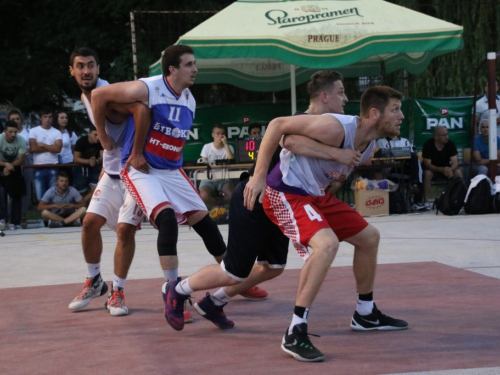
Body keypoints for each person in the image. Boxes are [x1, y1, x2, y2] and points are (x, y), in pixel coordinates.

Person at [162, 70, 365, 336]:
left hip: (284, 200)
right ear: (325, 97)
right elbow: (283, 134)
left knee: (273, 267)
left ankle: (215, 301)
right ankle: (176, 290)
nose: (345, 99)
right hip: (257, 198)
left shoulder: (331, 128)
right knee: (233, 272)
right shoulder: (303, 121)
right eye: (340, 93)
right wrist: (258, 176)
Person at [90, 44, 266, 326]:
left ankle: (235, 277)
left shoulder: (189, 99)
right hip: (141, 170)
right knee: (166, 221)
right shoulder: (147, 88)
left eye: (195, 63)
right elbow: (98, 95)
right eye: (189, 64)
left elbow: (170, 137)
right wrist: (104, 138)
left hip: (172, 170)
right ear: (172, 69)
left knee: (207, 226)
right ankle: (172, 292)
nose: (195, 69)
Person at [239, 85, 409, 362]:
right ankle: (295, 331)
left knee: (369, 237)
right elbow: (279, 128)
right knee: (326, 245)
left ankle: (365, 313)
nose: (401, 116)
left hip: (314, 196)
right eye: (395, 109)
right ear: (375, 114)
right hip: (286, 193)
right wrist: (258, 176)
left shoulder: (370, 147)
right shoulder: (337, 129)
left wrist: (333, 165)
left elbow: (298, 146)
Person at [67, 46, 144, 317]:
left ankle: (118, 291)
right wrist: (106, 160)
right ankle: (95, 281)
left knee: (125, 231)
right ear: (72, 71)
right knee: (89, 224)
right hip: (111, 173)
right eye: (81, 66)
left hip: (134, 174)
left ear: (99, 69)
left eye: (91, 65)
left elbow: (140, 110)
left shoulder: (110, 94)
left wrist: (135, 153)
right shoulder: (84, 95)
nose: (86, 70)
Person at [375, 135, 426, 210]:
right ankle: (414, 187)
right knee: (414, 166)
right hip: (391, 169)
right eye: (395, 125)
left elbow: (410, 157)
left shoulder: (405, 140)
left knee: (414, 158)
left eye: (398, 126)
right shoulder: (381, 142)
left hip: (405, 168)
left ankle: (414, 186)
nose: (398, 127)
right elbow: (384, 159)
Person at [422, 125, 463, 204]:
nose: (446, 137)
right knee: (427, 174)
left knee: (458, 172)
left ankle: (461, 198)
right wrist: (441, 170)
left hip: (447, 169)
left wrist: (450, 170)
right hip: (433, 170)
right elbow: (427, 164)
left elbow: (455, 163)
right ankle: (426, 201)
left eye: (447, 134)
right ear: (436, 137)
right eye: (444, 135)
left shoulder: (450, 144)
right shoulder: (428, 145)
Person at [29, 106, 62, 201]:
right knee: (40, 196)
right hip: (39, 166)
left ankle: (52, 215)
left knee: (53, 195)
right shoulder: (33, 131)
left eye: (50, 117)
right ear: (40, 118)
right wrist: (51, 147)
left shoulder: (57, 132)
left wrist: (43, 145)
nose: (48, 119)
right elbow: (33, 148)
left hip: (53, 165)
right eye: (45, 116)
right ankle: (44, 215)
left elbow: (58, 149)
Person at [199, 124, 235, 210]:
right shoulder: (207, 147)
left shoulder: (229, 147)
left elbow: (232, 161)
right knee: (204, 195)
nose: (220, 136)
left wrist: (225, 144)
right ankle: (218, 207)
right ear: (213, 135)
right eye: (218, 133)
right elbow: (202, 164)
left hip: (224, 179)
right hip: (208, 179)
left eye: (222, 133)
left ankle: (219, 208)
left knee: (231, 195)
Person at [7, 108, 33, 228]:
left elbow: (32, 147)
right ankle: (9, 216)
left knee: (25, 189)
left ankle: (23, 215)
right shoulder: (5, 135)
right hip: (11, 163)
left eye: (18, 119)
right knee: (10, 190)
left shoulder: (27, 132)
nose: (16, 121)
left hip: (26, 162)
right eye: (13, 119)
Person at [0, 121, 26, 230]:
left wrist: (9, 166)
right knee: (1, 193)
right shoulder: (0, 139)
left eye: (15, 132)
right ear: (5, 131)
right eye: (10, 132)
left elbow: (20, 159)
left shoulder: (21, 140)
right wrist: (5, 165)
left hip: (15, 166)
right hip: (1, 164)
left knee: (17, 194)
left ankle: (15, 222)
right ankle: (2, 219)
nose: (13, 135)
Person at [72, 126, 103, 205]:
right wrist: (88, 161)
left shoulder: (101, 142)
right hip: (81, 167)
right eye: (95, 135)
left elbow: (102, 156)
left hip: (94, 167)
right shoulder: (81, 141)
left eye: (99, 135)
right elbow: (76, 158)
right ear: (89, 134)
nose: (97, 137)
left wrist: (96, 161)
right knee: (82, 191)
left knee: (95, 190)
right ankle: (82, 207)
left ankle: (79, 206)